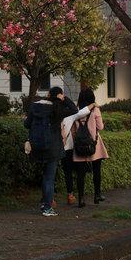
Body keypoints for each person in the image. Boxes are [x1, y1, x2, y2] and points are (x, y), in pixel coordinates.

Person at [24, 86, 77, 216]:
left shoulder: (35, 107)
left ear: (48, 95)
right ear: (59, 96)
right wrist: (64, 99)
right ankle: (47, 207)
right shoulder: (57, 109)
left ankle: (44, 202)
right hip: (52, 147)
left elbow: (26, 124)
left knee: (44, 176)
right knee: (49, 177)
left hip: (37, 146)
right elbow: (74, 109)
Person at [72, 88, 109, 207]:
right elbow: (101, 127)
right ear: (92, 98)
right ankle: (97, 195)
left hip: (79, 145)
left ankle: (81, 199)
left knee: (80, 173)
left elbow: (73, 131)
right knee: (97, 170)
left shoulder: (76, 110)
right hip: (94, 144)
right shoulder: (95, 110)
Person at [61, 94, 96, 205]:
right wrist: (93, 105)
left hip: (56, 147)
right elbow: (79, 111)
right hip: (69, 147)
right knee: (75, 172)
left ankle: (59, 197)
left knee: (64, 172)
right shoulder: (68, 115)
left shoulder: (51, 114)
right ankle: (71, 195)